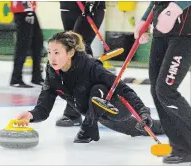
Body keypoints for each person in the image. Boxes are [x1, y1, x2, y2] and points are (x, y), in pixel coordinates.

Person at [15, 31, 164, 144]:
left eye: (57, 52)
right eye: (49, 52)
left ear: (70, 53)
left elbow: (123, 89)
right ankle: (170, 125)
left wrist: (143, 112)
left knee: (97, 89)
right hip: (99, 116)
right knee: (140, 129)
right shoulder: (52, 73)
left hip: (116, 108)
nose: (52, 58)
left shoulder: (91, 67)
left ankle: (87, 128)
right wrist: (31, 115)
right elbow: (43, 107)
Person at [134, 1, 191, 164]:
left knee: (165, 90)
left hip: (183, 34)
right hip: (161, 33)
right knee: (156, 90)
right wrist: (145, 20)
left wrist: (175, 9)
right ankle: (181, 146)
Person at [57, 1, 106, 127]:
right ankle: (91, 101)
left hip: (90, 5)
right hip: (68, 5)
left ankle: (73, 111)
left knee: (78, 49)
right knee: (70, 49)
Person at [10, 1, 44, 88]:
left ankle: (37, 77)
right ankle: (16, 79)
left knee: (37, 42)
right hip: (23, 10)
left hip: (29, 9)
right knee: (23, 44)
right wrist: (28, 11)